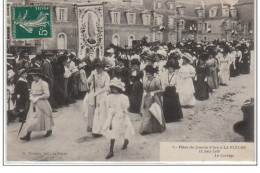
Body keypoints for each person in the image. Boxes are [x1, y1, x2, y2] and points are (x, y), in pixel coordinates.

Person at [102, 78, 135, 159]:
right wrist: (111, 111)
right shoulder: (110, 97)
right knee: (113, 132)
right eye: (112, 88)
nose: (114, 90)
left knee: (124, 130)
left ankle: (126, 141)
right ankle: (111, 150)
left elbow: (125, 107)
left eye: (115, 88)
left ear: (119, 89)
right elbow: (108, 106)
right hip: (113, 116)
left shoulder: (123, 97)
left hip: (121, 115)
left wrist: (123, 112)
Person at [20, 69, 54, 141]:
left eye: (35, 76)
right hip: (34, 102)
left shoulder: (44, 83)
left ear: (39, 76)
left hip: (42, 103)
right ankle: (28, 134)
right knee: (31, 118)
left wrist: (39, 97)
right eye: (33, 76)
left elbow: (47, 94)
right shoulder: (33, 83)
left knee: (44, 117)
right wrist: (31, 97)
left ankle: (49, 130)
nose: (33, 78)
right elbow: (32, 92)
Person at [84, 59, 110, 136]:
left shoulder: (106, 75)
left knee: (101, 110)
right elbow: (87, 81)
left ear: (102, 68)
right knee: (91, 108)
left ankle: (101, 128)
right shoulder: (94, 73)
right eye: (96, 68)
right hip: (94, 93)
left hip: (102, 93)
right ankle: (91, 126)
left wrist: (99, 92)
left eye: (99, 68)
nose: (98, 69)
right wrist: (92, 75)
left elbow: (107, 87)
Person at [140, 65, 165, 135]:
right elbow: (144, 88)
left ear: (152, 74)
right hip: (146, 98)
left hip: (154, 98)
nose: (148, 76)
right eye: (147, 74)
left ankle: (156, 127)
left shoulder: (155, 80)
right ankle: (145, 128)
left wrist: (154, 92)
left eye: (149, 74)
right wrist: (144, 92)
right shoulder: (145, 80)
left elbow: (161, 89)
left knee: (154, 112)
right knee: (146, 113)